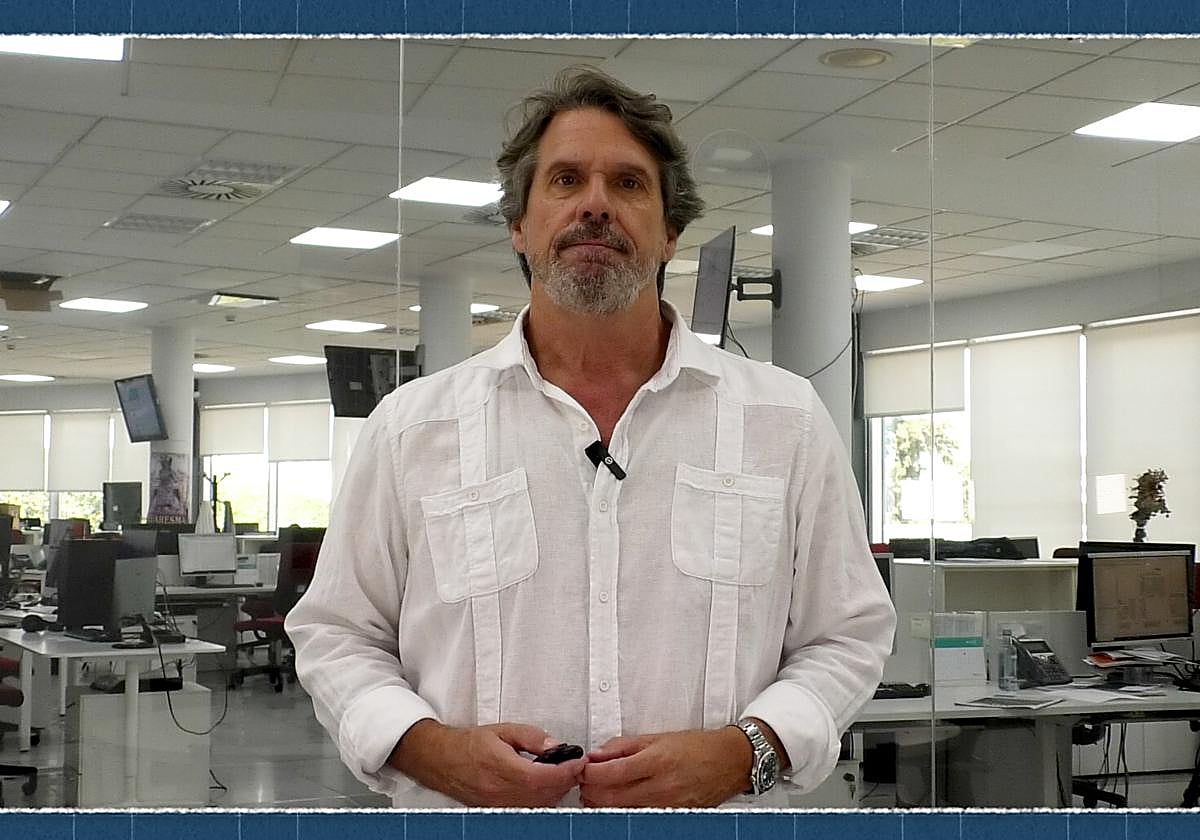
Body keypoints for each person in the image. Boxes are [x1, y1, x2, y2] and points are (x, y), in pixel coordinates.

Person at [285, 66, 896, 809]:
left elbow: (847, 634)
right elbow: (337, 633)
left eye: (629, 184)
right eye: (566, 180)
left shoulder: (785, 420)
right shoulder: (411, 428)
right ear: (519, 225)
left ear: (670, 233)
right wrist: (429, 750)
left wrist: (747, 753)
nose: (596, 204)